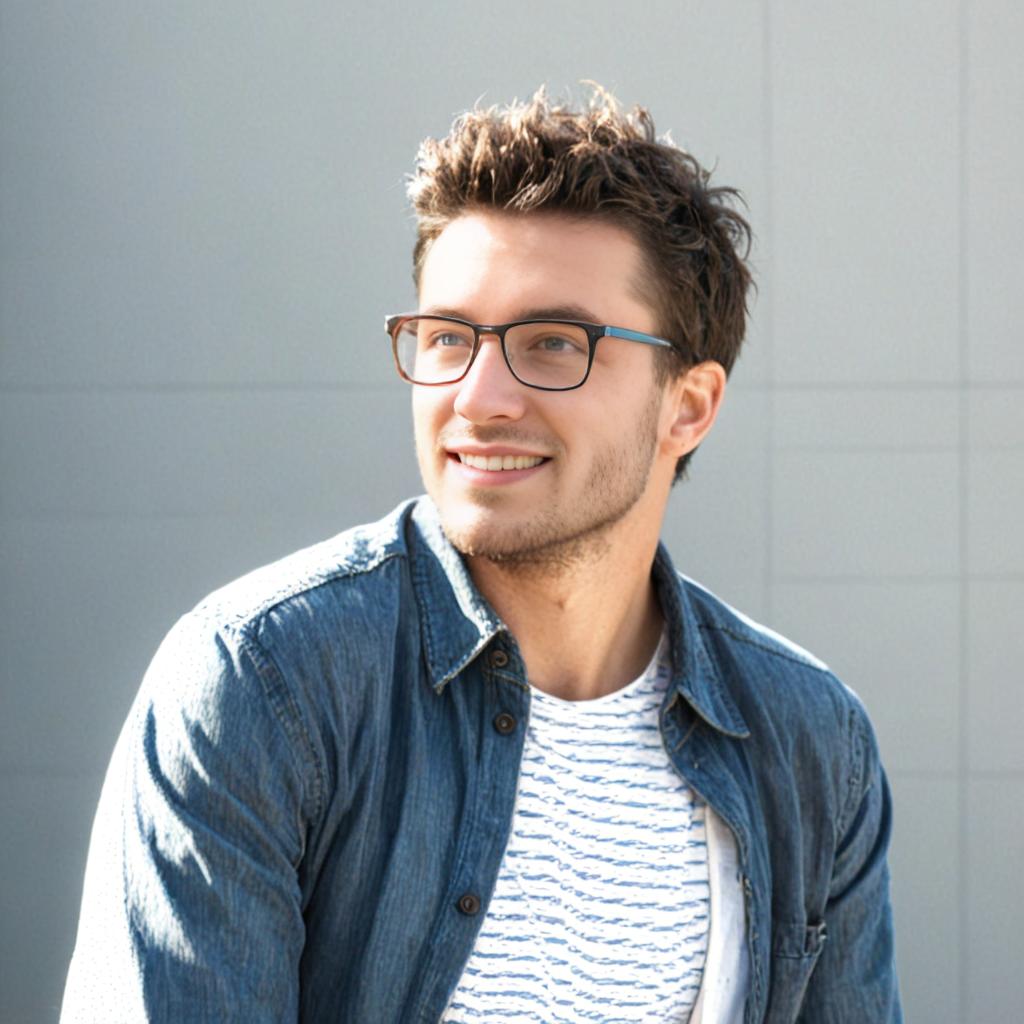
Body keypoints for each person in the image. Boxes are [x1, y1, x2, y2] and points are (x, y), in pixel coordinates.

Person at [61, 85, 901, 1023]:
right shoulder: (263, 687)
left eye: (553, 344)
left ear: (689, 405)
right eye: (449, 337)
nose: (479, 395)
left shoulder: (812, 744)